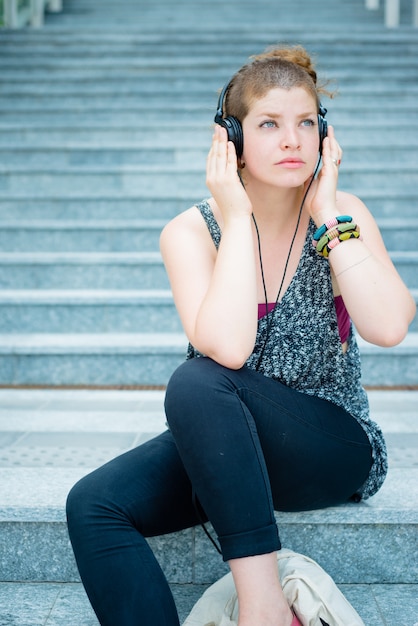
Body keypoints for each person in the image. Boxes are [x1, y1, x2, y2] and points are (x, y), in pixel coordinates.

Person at [66, 45, 416, 626]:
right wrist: (235, 221)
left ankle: (262, 608)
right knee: (94, 504)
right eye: (270, 124)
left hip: (334, 445)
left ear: (324, 134)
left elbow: (389, 325)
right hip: (227, 443)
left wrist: (328, 216)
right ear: (231, 139)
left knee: (195, 383)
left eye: (306, 123)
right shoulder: (190, 231)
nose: (292, 140)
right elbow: (229, 347)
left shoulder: (343, 215)